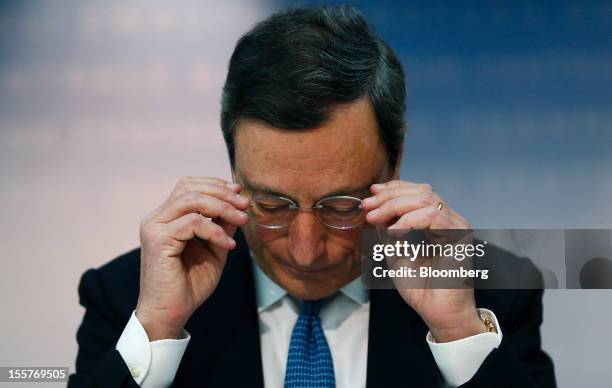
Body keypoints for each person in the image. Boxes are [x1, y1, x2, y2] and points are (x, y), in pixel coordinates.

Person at [69, 5, 555, 387]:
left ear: (397, 160)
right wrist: (156, 331)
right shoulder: (125, 298)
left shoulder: (494, 292)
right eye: (272, 205)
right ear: (233, 168)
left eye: (340, 206)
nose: (305, 248)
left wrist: (459, 334)